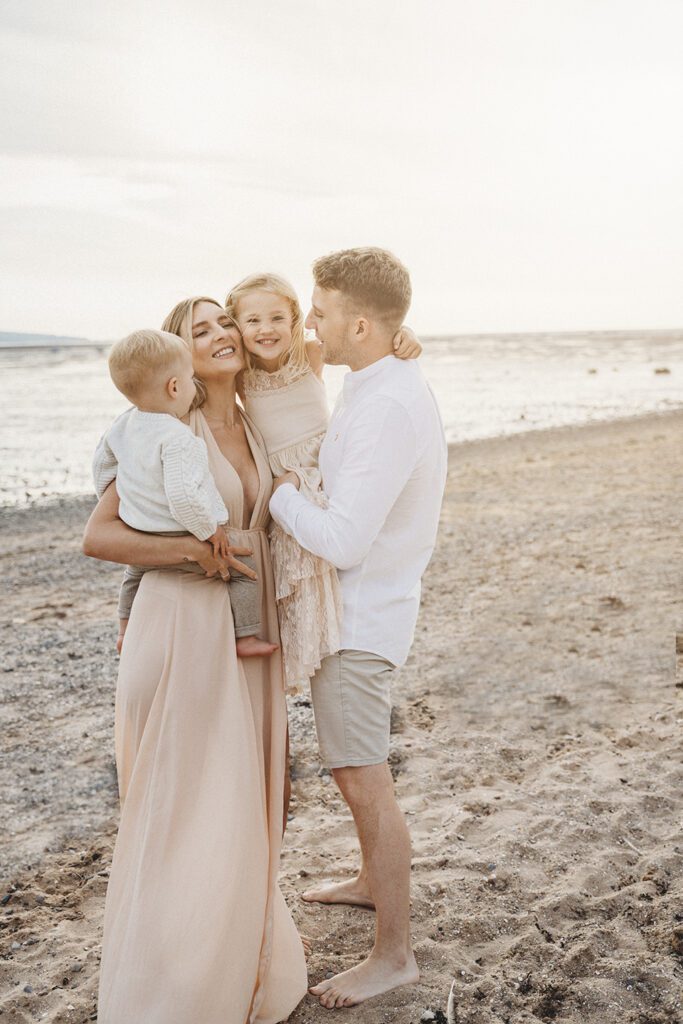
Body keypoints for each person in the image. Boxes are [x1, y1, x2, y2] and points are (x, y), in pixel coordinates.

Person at [83, 298, 307, 1024]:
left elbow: (324, 360)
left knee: (244, 803)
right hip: (183, 622)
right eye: (197, 328)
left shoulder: (252, 420)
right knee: (189, 807)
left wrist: (399, 339)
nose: (218, 335)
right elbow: (102, 536)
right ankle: (174, 992)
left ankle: (238, 967)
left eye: (223, 323)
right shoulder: (165, 430)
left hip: (247, 626)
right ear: (177, 361)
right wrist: (198, 552)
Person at [269, 247, 447, 1009]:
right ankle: (374, 883)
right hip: (360, 610)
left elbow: (342, 538)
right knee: (352, 771)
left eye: (322, 311)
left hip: (364, 617)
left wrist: (278, 497)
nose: (312, 322)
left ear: (363, 324)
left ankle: (394, 955)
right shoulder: (376, 380)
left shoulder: (385, 406)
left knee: (363, 777)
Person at [226, 271, 422, 693]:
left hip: (320, 466)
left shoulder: (312, 354)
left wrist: (405, 336)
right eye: (253, 321)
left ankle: (342, 662)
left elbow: (367, 338)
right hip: (280, 480)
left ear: (296, 320)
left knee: (327, 559)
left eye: (278, 317)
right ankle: (308, 662)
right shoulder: (239, 373)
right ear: (237, 327)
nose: (266, 329)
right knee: (290, 576)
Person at [93, 327, 276, 659]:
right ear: (175, 386)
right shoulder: (179, 437)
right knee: (243, 575)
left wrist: (118, 494)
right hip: (183, 537)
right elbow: (182, 496)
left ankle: (124, 629)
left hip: (143, 529)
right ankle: (245, 636)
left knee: (133, 575)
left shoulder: (123, 426)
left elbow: (103, 463)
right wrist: (209, 533)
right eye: (191, 377)